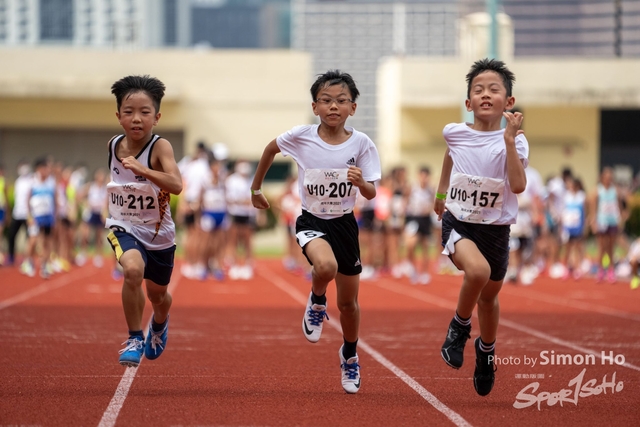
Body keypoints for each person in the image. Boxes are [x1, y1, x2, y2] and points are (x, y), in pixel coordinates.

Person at [250, 70, 381, 393]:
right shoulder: (300, 136)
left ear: (353, 107)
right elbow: (269, 150)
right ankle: (317, 299)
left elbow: (371, 193)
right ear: (314, 106)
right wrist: (256, 189)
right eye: (326, 100)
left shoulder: (362, 143)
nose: (333, 106)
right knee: (325, 267)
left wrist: (361, 182)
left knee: (349, 304)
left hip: (344, 224)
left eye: (340, 101)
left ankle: (349, 354)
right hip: (312, 220)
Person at [434, 58, 528, 396]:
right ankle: (458, 328)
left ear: (509, 101)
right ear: (468, 102)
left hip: (495, 230)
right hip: (459, 222)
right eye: (478, 90)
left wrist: (509, 141)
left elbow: (518, 186)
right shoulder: (454, 131)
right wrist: (442, 192)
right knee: (477, 272)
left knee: (488, 299)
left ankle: (486, 351)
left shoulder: (516, 141)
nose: (485, 95)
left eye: (494, 89)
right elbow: (450, 154)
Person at [105, 75, 182, 367]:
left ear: (157, 117)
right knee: (133, 271)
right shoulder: (113, 145)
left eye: (144, 112)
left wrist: (143, 170)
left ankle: (160, 324)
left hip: (159, 234)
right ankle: (135, 337)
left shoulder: (160, 147)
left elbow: (176, 185)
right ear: (119, 116)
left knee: (159, 296)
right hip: (124, 226)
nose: (136, 119)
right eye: (129, 112)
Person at [21, 158, 57, 279]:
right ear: (38, 169)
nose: (46, 170)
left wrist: (55, 216)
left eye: (47, 168)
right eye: (44, 168)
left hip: (48, 216)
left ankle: (44, 265)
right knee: (34, 240)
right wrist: (29, 216)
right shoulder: (32, 182)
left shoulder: (51, 182)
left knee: (47, 242)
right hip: (36, 216)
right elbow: (27, 200)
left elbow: (55, 200)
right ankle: (29, 262)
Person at [588, 166, 624, 283]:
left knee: (611, 248)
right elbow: (593, 209)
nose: (608, 180)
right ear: (602, 178)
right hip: (602, 221)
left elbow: (619, 206)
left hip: (612, 221)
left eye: (610, 178)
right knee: (602, 247)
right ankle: (600, 270)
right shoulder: (597, 191)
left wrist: (620, 219)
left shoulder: (616, 191)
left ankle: (611, 270)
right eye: (606, 177)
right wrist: (593, 222)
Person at [404, 166, 435, 285]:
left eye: (426, 176)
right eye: (422, 175)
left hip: (425, 219)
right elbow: (405, 201)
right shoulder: (413, 188)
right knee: (411, 245)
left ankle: (425, 272)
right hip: (414, 218)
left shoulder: (430, 189)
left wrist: (429, 209)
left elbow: (433, 202)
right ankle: (413, 269)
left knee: (425, 246)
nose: (424, 178)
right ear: (419, 176)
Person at [6, 161, 32, 267]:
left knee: (29, 237)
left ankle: (27, 258)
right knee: (11, 235)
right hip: (17, 213)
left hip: (27, 214)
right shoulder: (17, 181)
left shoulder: (31, 181)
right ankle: (11, 257)